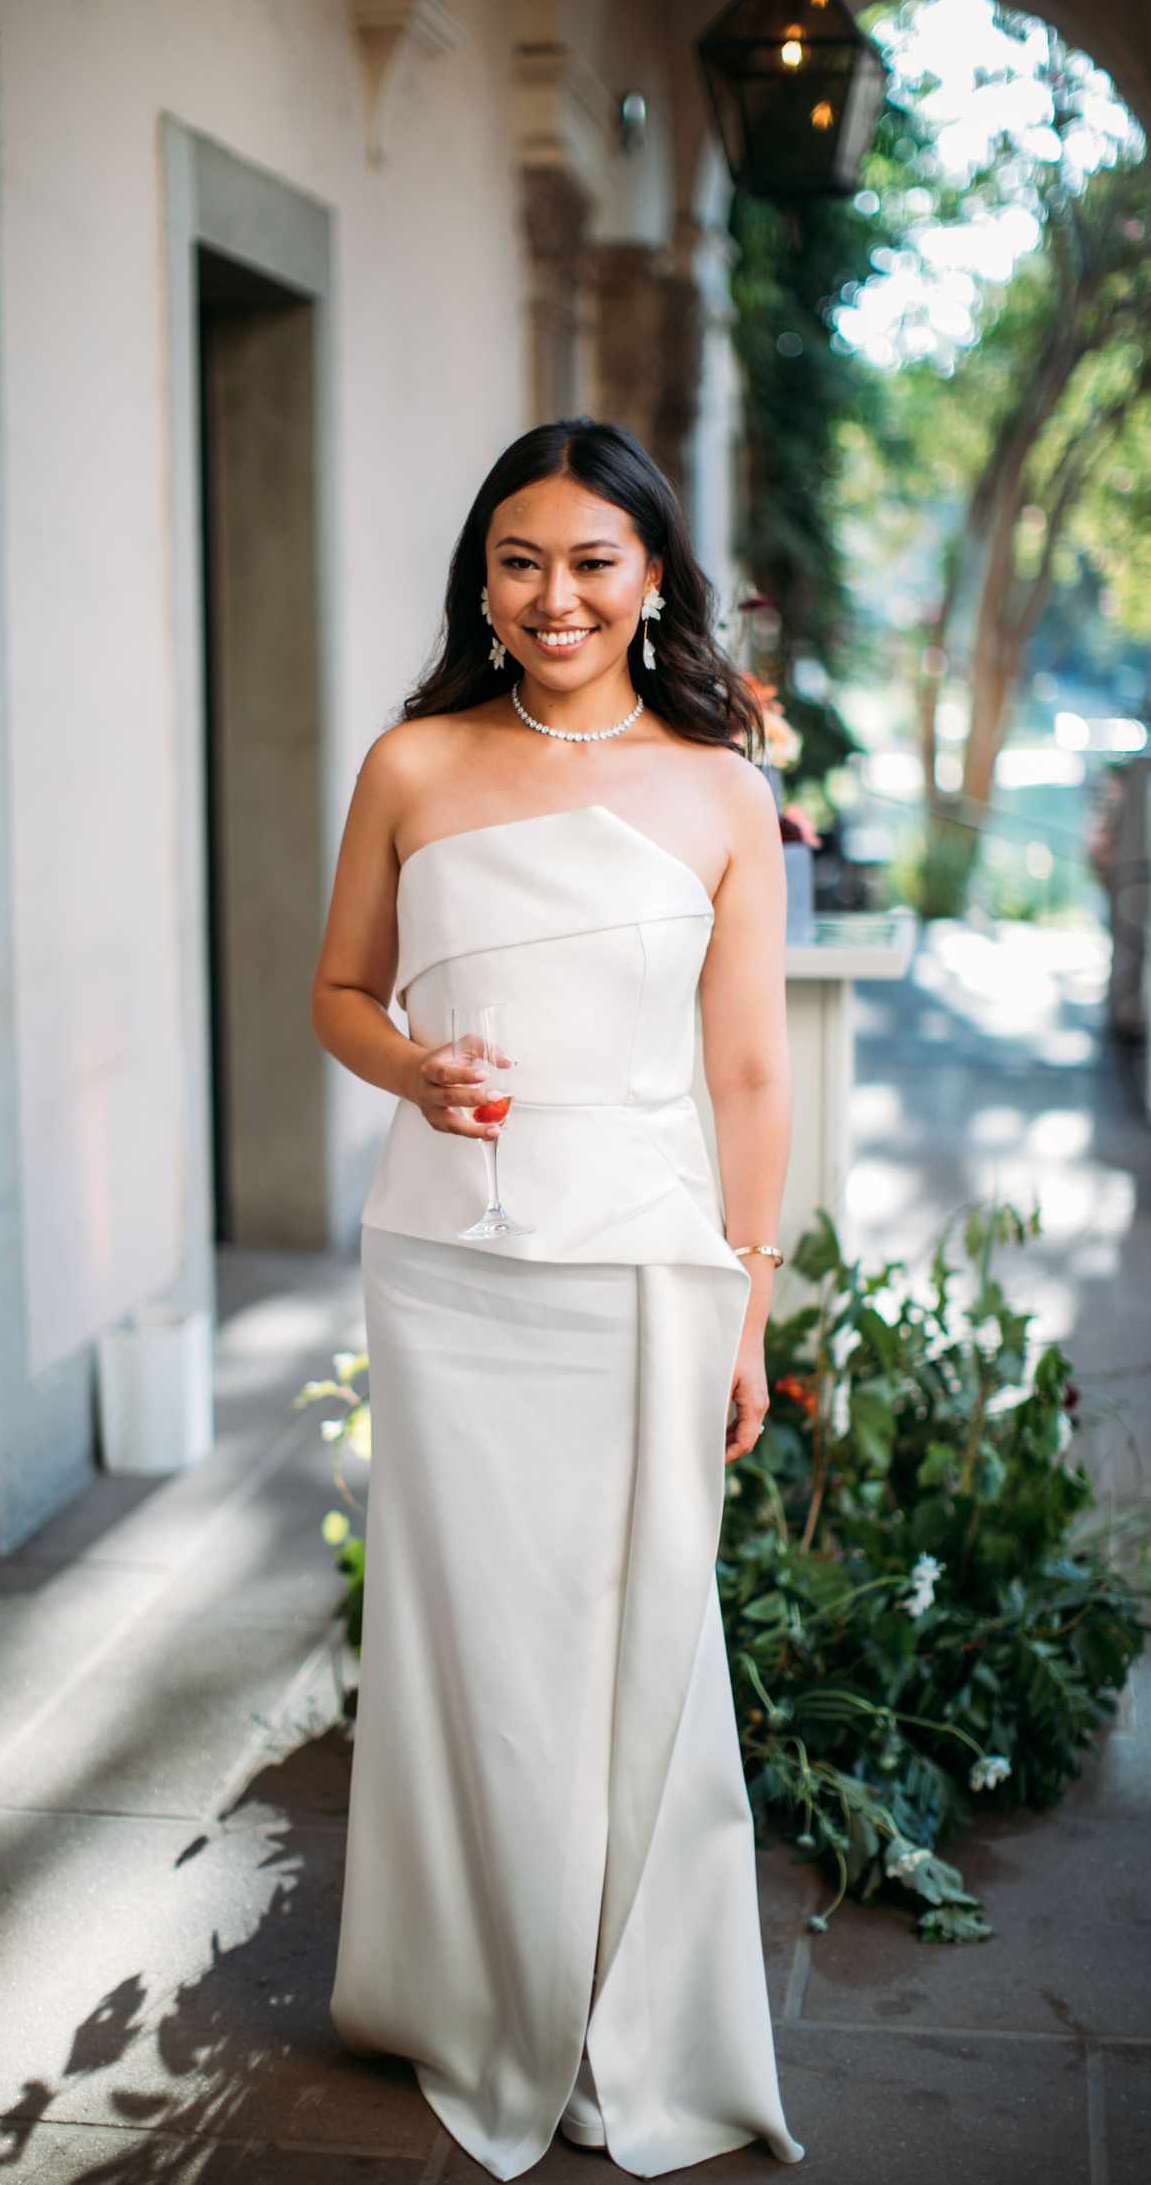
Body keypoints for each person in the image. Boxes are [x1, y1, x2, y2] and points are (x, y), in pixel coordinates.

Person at [311, 417, 804, 2179]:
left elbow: (749, 1079)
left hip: (648, 1264)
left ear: (653, 576)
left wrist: (752, 1309)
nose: (555, 595)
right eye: (519, 561)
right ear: (484, 581)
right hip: (451, 1269)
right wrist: (415, 1071)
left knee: (641, 1635)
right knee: (474, 1645)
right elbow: (340, 992)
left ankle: (628, 2012)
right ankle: (473, 1993)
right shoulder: (413, 764)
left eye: (593, 560)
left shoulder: (721, 788)